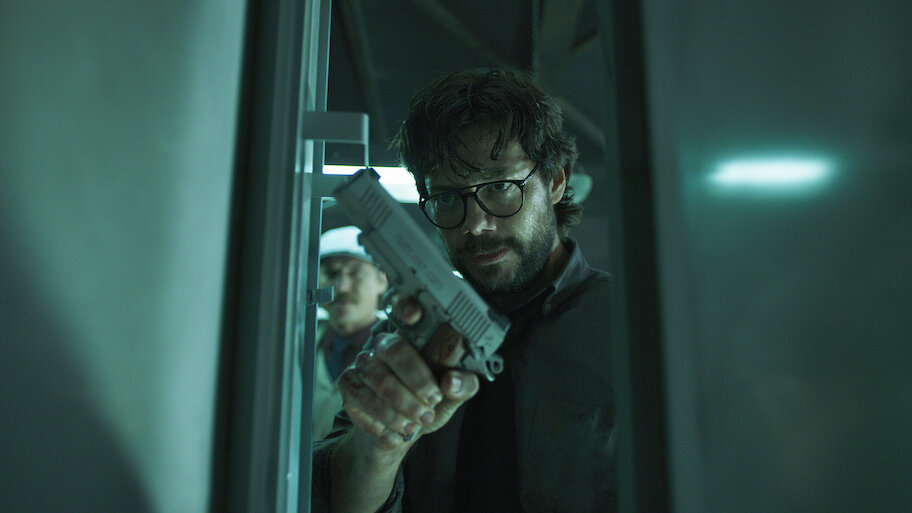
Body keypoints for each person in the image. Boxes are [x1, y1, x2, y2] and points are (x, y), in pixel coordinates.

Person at [311, 68, 615, 512]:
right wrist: (380, 446)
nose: (475, 224)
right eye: (448, 198)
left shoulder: (629, 329)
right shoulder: (404, 338)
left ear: (555, 181)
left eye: (500, 186)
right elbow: (335, 498)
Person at [312, 226, 389, 440]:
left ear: (381, 281)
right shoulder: (297, 346)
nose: (342, 287)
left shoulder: (395, 352)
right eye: (331, 274)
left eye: (355, 273)